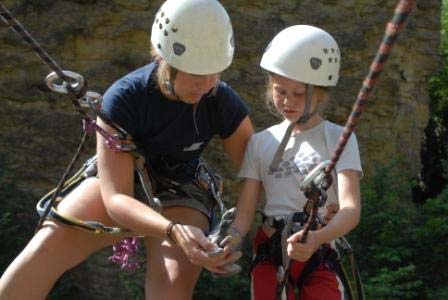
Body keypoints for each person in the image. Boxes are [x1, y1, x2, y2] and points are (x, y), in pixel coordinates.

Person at [0, 0, 253, 299]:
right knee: (45, 248)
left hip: (183, 189)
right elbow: (116, 198)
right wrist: (172, 231)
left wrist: (236, 232)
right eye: (196, 76)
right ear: (164, 60)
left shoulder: (220, 100)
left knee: (171, 287)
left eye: (215, 74)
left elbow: (254, 171)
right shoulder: (124, 99)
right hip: (126, 182)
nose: (206, 85)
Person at [231, 25, 362, 299]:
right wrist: (227, 241)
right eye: (280, 91)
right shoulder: (260, 142)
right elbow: (244, 214)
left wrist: (317, 238)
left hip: (320, 250)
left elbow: (351, 210)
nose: (287, 101)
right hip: (271, 251)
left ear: (321, 93)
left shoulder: (339, 138)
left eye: (299, 93)